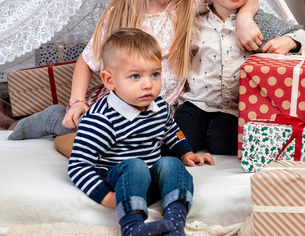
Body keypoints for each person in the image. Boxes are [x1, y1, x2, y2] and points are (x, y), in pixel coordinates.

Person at [8, 0, 261, 148]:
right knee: (98, 139)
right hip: (119, 105)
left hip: (162, 108)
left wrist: (245, 18)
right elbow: (86, 61)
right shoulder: (122, 13)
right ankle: (53, 119)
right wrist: (76, 101)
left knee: (150, 146)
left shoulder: (190, 5)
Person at [174, 0, 305, 155]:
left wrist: (289, 41)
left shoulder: (258, 22)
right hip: (196, 103)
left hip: (234, 109)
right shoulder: (195, 20)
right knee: (180, 140)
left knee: (225, 141)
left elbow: (304, 36)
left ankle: (212, 136)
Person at [68, 28, 214, 236]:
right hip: (119, 183)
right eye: (135, 76)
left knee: (171, 163)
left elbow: (171, 130)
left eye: (155, 74)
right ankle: (132, 226)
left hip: (149, 183)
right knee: (135, 166)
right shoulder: (101, 119)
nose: (148, 84)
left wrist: (186, 152)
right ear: (110, 80)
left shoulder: (159, 106)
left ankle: (175, 223)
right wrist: (109, 197)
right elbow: (78, 166)